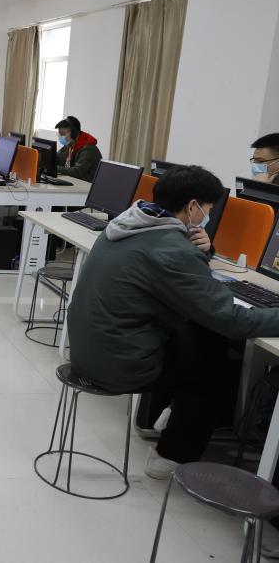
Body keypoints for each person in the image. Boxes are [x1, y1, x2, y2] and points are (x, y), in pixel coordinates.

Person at [66, 165, 279, 478]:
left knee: (200, 330)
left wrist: (201, 252)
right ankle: (172, 456)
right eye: (208, 208)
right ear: (192, 207)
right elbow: (234, 321)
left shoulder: (129, 223)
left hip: (88, 348)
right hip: (118, 364)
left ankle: (166, 417)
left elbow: (170, 276)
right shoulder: (171, 247)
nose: (208, 215)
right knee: (213, 358)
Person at [55, 115, 102, 182]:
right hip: (74, 182)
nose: (61, 138)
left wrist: (54, 167)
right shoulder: (70, 144)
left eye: (63, 135)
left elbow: (77, 172)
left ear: (73, 132)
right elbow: (58, 158)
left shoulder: (89, 149)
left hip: (86, 185)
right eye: (60, 135)